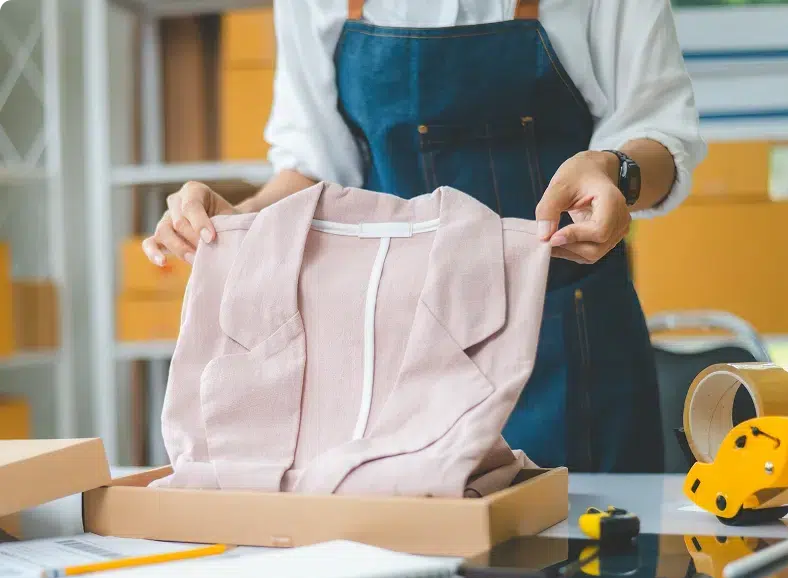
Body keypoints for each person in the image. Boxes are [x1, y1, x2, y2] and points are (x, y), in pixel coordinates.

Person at [143, 0, 706, 473]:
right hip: (392, 350)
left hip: (570, 345)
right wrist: (240, 218)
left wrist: (617, 172)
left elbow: (658, 133)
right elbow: (314, 166)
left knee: (587, 559)